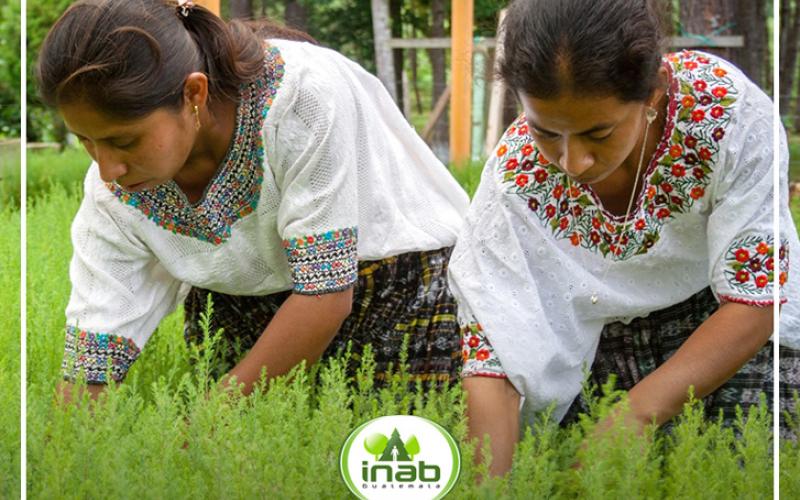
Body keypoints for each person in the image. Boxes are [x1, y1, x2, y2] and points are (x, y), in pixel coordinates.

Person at [38, 0, 469, 401]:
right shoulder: (110, 192)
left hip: (392, 286)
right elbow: (94, 349)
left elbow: (326, 292)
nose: (108, 167)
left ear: (194, 94)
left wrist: (206, 423)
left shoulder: (301, 98)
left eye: (124, 141)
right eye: (86, 142)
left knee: (379, 459)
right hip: (241, 307)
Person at [448, 0, 800, 476]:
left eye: (599, 132)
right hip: (595, 339)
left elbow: (754, 299)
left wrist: (627, 419)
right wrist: (488, 484)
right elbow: (494, 346)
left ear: (653, 92)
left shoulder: (723, 113)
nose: (572, 162)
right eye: (545, 132)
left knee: (743, 468)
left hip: (723, 326)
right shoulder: (516, 178)